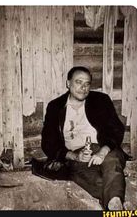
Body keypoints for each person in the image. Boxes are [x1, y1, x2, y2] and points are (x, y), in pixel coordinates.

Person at [33, 66, 128, 210]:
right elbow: (48, 142)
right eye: (78, 82)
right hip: (77, 157)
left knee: (112, 161)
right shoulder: (55, 106)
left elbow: (115, 129)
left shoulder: (100, 100)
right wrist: (75, 156)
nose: (83, 88)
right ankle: (114, 201)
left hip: (105, 150)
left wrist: (102, 152)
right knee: (95, 180)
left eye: (87, 84)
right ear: (68, 83)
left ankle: (114, 207)